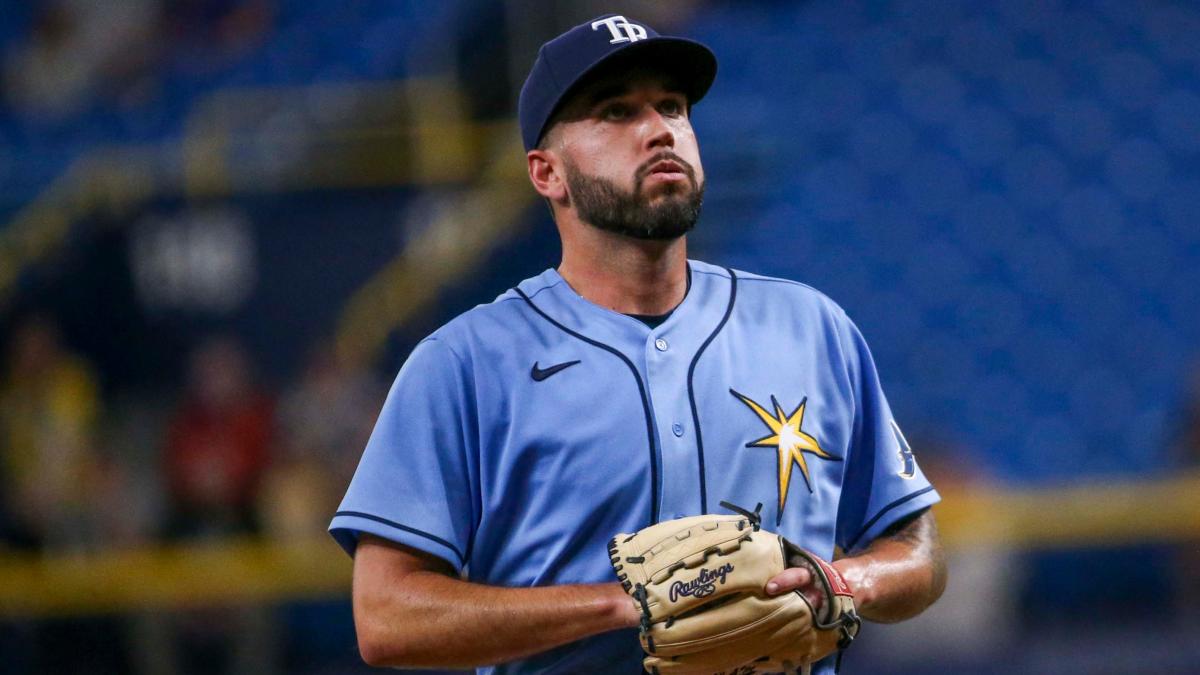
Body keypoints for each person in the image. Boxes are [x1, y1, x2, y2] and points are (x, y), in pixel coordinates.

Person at [330, 14, 946, 674]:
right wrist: (621, 604)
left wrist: (843, 582)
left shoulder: (811, 327)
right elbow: (386, 616)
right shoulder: (463, 364)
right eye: (616, 112)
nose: (659, 129)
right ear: (547, 173)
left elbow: (917, 548)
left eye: (672, 106)